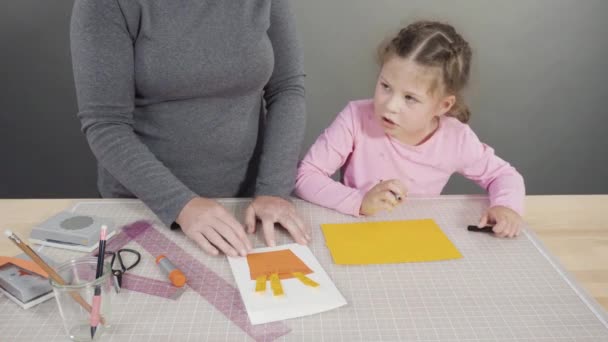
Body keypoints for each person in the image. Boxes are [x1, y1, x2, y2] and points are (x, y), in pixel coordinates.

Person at [70, 0, 310, 257]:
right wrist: (181, 205)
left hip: (250, 206)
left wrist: (274, 189)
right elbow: (106, 123)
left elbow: (287, 89)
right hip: (148, 205)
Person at [295, 20, 525, 238]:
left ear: (443, 105)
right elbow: (306, 176)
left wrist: (505, 206)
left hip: (415, 239)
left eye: (410, 98)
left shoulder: (456, 139)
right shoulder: (356, 118)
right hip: (356, 233)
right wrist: (360, 201)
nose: (390, 105)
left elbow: (502, 175)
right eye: (385, 86)